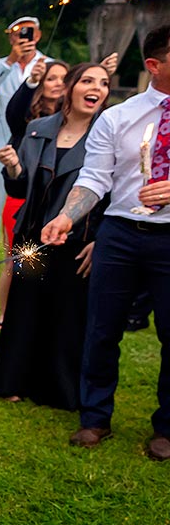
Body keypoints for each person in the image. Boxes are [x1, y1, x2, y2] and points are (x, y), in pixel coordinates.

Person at [42, 25, 170, 462]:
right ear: (154, 65)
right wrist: (65, 216)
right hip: (119, 235)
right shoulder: (118, 117)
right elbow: (95, 178)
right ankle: (95, 416)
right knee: (101, 328)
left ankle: (167, 428)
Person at [0, 63, 110, 409]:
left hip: (78, 241)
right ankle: (13, 380)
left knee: (67, 317)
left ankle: (58, 391)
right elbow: (19, 186)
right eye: (87, 81)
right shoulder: (39, 129)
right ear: (70, 87)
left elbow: (111, 194)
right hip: (33, 235)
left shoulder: (106, 135)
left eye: (103, 84)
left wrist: (98, 240)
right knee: (24, 312)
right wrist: (12, 166)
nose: (96, 89)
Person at [0, 16, 47, 278]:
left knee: (36, 199)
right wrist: (10, 62)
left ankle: (30, 252)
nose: (22, 36)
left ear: (37, 35)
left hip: (37, 142)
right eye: (17, 32)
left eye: (28, 32)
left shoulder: (48, 65)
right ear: (10, 37)